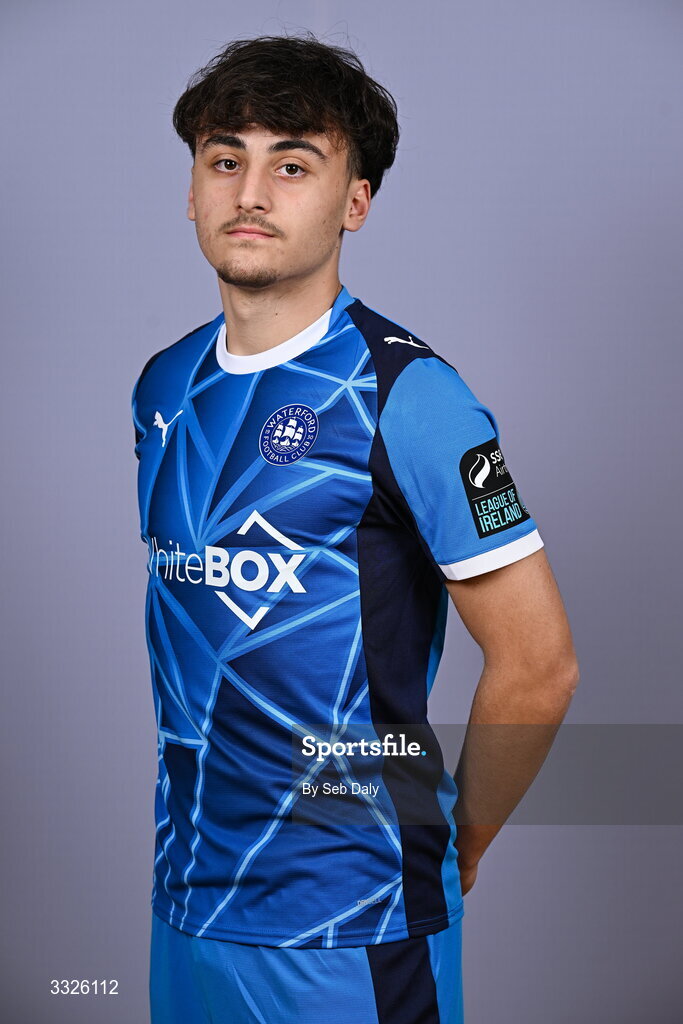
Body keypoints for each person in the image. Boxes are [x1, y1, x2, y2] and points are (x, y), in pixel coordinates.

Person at [130, 32, 580, 1024]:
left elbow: (538, 665)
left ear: (355, 202)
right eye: (224, 160)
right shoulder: (164, 385)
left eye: (292, 165)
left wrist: (449, 841)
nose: (251, 193)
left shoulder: (411, 398)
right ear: (192, 190)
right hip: (187, 907)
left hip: (349, 924)